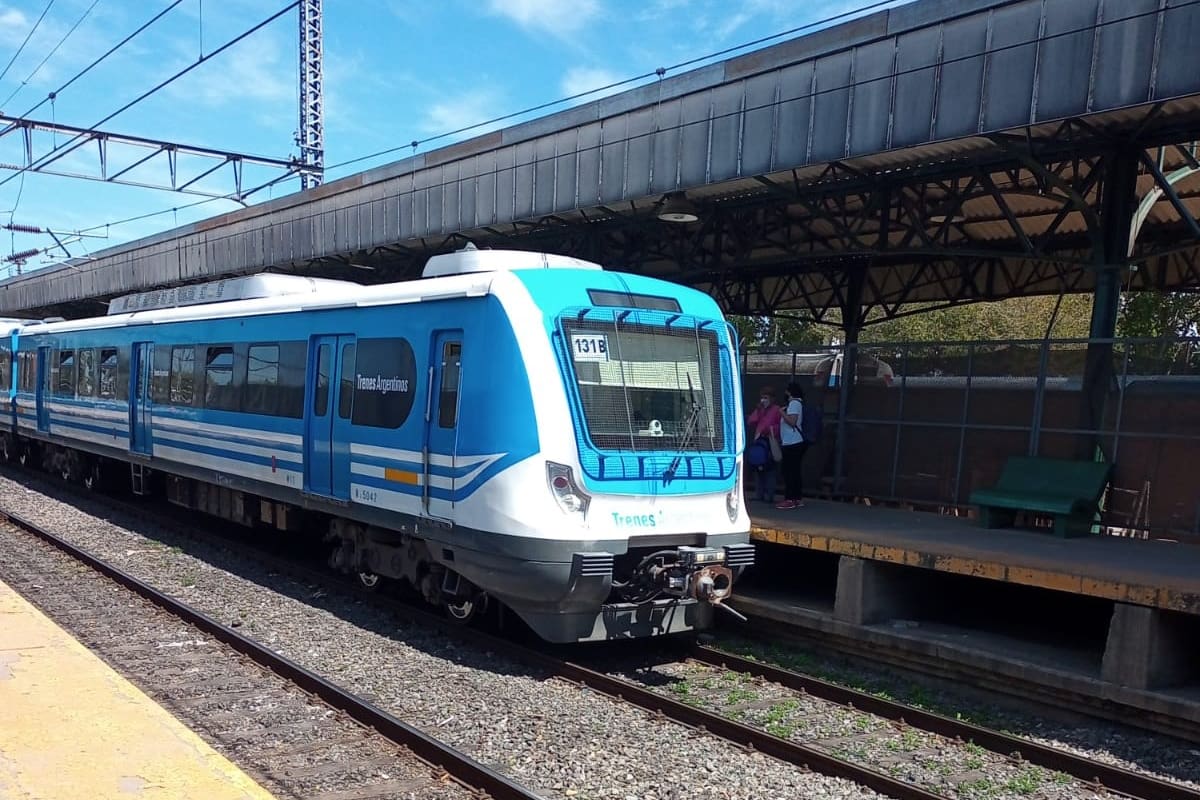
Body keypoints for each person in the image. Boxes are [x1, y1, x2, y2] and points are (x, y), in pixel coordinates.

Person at [746, 386, 781, 502]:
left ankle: (769, 494)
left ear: (772, 398)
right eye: (762, 398)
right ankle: (759, 493)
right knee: (758, 466)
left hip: (771, 440)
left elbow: (780, 426)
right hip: (759, 440)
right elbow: (751, 421)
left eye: (766, 397)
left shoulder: (776, 410)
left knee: (770, 468)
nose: (763, 400)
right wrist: (759, 410)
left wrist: (771, 429)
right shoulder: (760, 409)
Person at [776, 382, 808, 509]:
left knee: (789, 471)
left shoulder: (794, 404)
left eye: (787, 392)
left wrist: (782, 413)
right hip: (792, 441)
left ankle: (790, 498)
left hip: (792, 442)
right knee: (794, 471)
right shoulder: (797, 404)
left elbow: (792, 422)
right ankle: (797, 498)